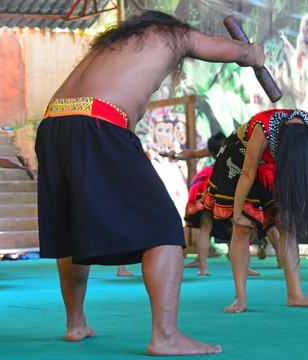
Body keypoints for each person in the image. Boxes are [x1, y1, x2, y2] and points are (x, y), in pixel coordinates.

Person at [34, 10, 265, 356]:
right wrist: (253, 54)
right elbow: (229, 49)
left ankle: (76, 324)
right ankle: (165, 336)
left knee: (72, 226)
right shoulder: (173, 35)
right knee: (163, 227)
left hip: (53, 124)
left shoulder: (111, 46)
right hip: (97, 123)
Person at [202, 109, 308, 313]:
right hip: (240, 158)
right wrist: (237, 214)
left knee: (286, 224)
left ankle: (296, 295)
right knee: (241, 228)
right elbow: (247, 174)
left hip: (273, 164)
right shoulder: (263, 129)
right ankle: (240, 298)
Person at [163, 132, 278, 276]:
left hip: (204, 181)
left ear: (211, 152)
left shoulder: (212, 151)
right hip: (227, 182)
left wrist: (173, 155)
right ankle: (244, 268)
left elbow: (190, 154)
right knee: (238, 226)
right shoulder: (235, 147)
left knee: (205, 226)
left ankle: (203, 268)